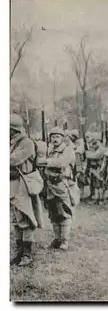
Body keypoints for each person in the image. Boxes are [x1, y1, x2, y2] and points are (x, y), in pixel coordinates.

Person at [10, 113, 44, 266]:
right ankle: (19, 252)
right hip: (11, 183)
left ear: (13, 130)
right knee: (15, 219)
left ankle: (27, 254)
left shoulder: (26, 142)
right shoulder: (11, 142)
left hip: (23, 183)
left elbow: (13, 160)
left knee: (25, 218)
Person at [40, 126, 80, 250]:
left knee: (64, 212)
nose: (55, 139)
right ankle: (57, 239)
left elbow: (61, 163)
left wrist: (45, 161)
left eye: (58, 137)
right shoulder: (50, 150)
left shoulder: (68, 150)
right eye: (53, 137)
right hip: (50, 186)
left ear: (62, 138)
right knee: (53, 213)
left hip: (63, 185)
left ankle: (65, 240)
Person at [85, 132, 106, 204]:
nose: (94, 143)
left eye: (96, 141)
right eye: (93, 141)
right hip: (93, 169)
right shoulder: (93, 148)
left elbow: (95, 156)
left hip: (100, 168)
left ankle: (101, 198)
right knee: (95, 184)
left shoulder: (102, 149)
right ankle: (95, 197)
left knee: (100, 185)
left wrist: (89, 153)